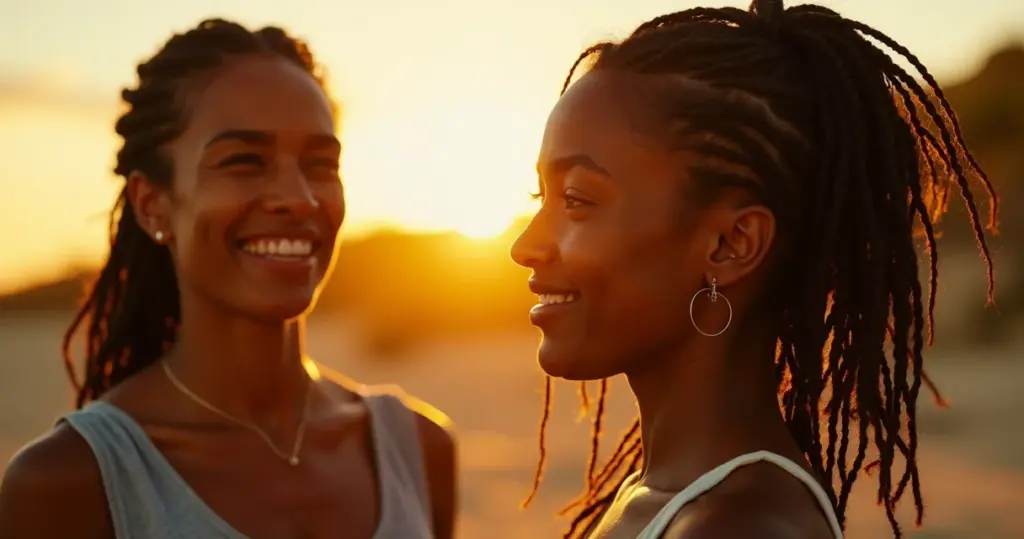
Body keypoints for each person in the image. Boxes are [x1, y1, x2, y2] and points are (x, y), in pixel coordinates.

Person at [511, 0, 998, 538]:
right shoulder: (669, 494)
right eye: (542, 196)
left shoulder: (741, 527)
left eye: (577, 199)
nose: (526, 246)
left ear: (730, 243)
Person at [0, 19, 456, 539]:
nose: (298, 197)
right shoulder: (73, 481)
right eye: (244, 161)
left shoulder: (418, 449)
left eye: (320, 164)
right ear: (153, 206)